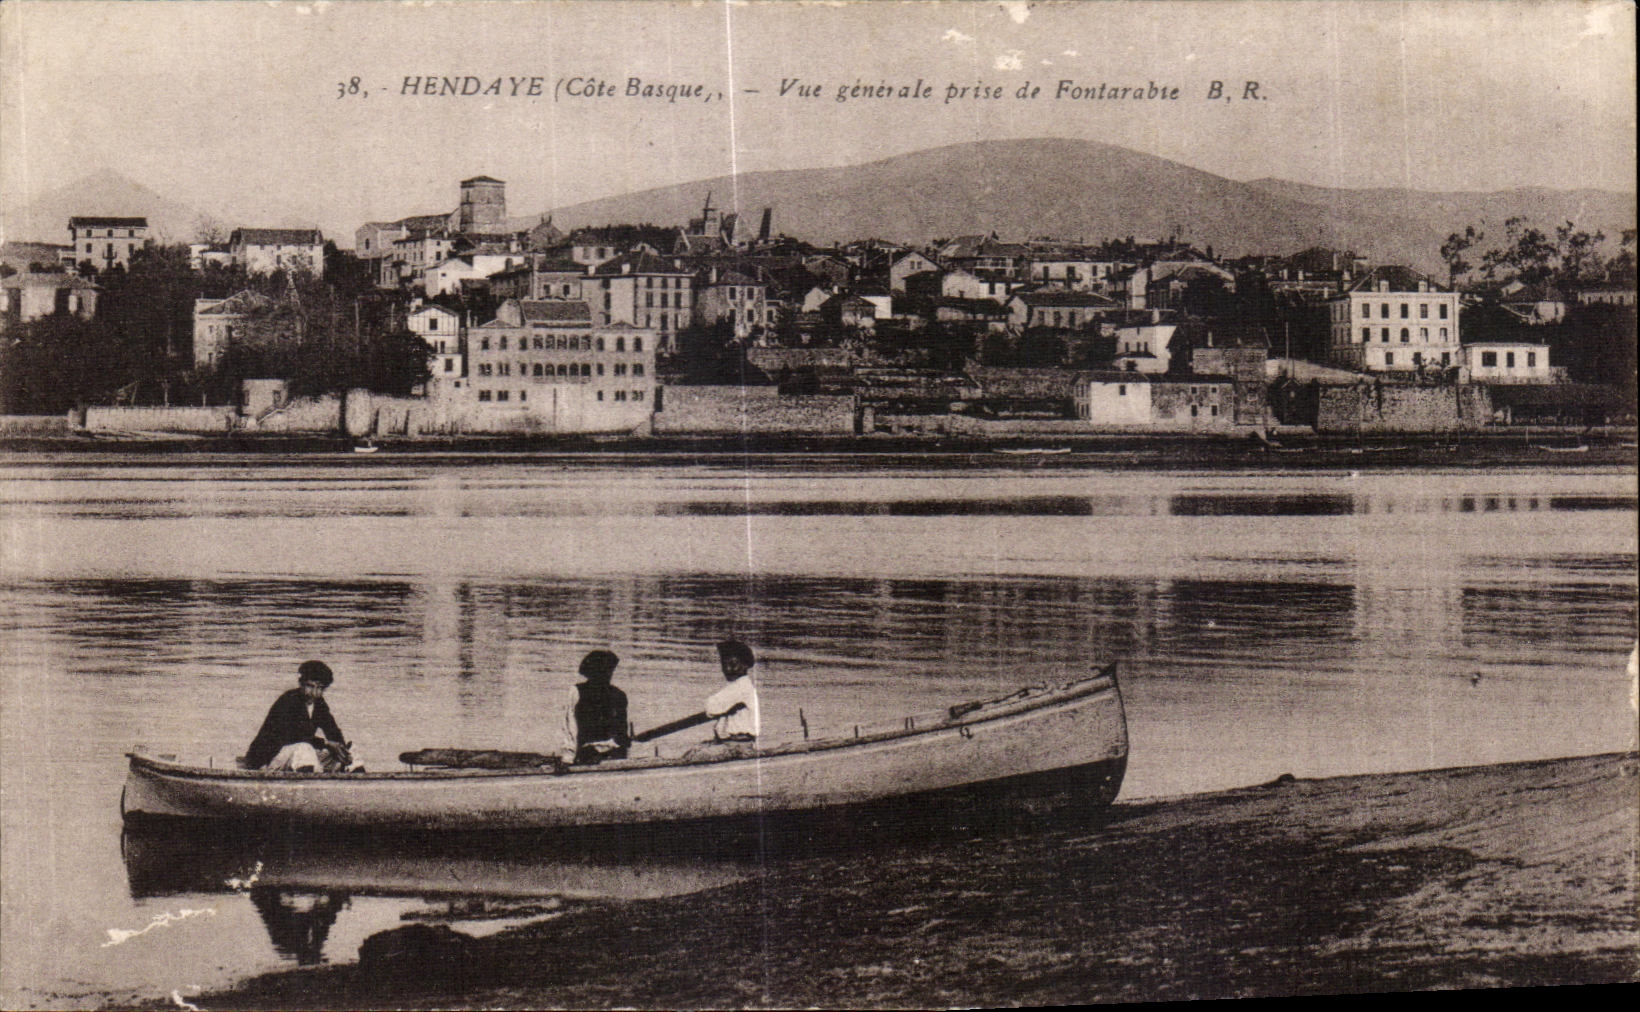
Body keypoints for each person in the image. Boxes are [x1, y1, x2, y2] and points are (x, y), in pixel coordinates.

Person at [245, 660, 353, 772]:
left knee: (350, 752)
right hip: (268, 759)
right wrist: (327, 744)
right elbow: (296, 735)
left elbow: (332, 729)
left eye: (320, 688)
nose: (315, 693)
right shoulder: (288, 701)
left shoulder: (319, 704)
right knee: (304, 749)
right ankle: (307, 785)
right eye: (311, 686)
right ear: (301, 684)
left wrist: (342, 748)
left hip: (295, 756)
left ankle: (359, 783)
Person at [558, 650, 630, 765]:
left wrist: (622, 751)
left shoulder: (619, 695)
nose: (609, 675)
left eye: (610, 671)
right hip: (586, 754)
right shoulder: (576, 692)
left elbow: (622, 732)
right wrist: (568, 758)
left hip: (613, 753)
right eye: (605, 671)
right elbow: (569, 727)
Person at [705, 639, 760, 745]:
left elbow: (711, 708)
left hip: (738, 743)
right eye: (724, 665)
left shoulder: (741, 687)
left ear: (746, 665)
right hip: (732, 741)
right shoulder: (738, 686)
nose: (728, 669)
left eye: (733, 664)